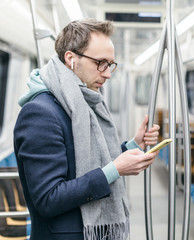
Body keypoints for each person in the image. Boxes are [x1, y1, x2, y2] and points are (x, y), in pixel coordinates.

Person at [13, 18, 160, 240]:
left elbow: (86, 162)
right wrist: (115, 170)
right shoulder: (40, 113)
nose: (108, 73)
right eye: (100, 63)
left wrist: (133, 145)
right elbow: (48, 199)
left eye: (110, 64)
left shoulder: (84, 103)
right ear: (71, 59)